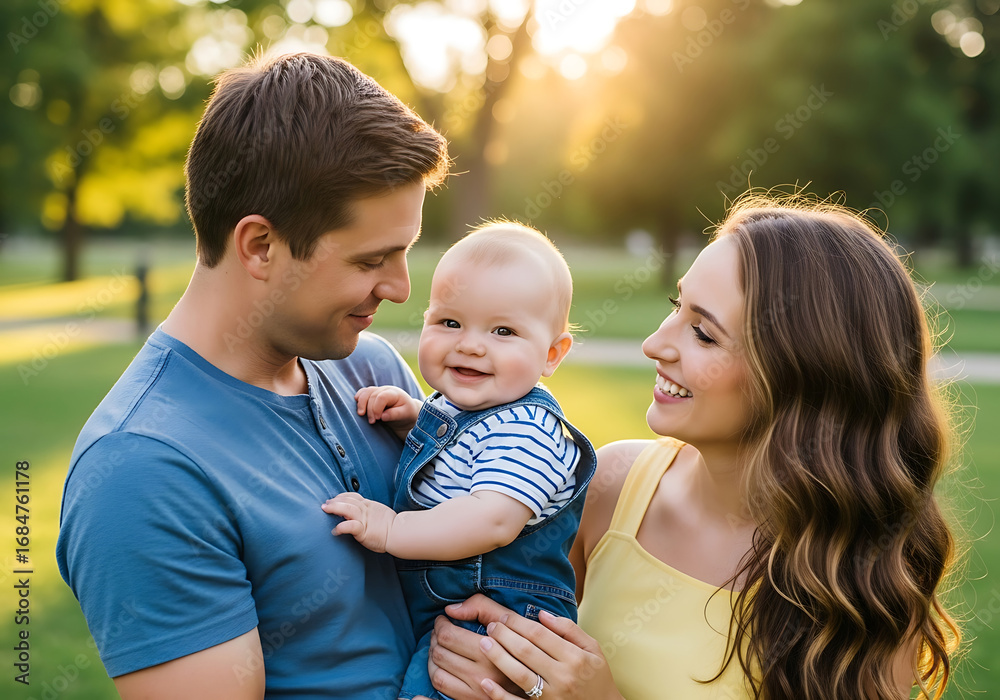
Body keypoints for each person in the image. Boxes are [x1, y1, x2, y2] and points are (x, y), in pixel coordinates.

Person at [426, 197, 961, 700]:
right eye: (675, 307)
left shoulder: (865, 580)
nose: (654, 344)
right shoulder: (609, 487)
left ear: (802, 376)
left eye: (703, 334)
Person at [56, 52, 449, 699]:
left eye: (404, 254)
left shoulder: (368, 368)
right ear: (260, 246)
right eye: (372, 259)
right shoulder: (142, 470)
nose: (402, 289)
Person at [321, 223, 597, 700]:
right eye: (450, 323)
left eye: (503, 331)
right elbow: (465, 457)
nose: (470, 344)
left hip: (502, 622)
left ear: (552, 354)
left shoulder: (528, 428)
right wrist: (413, 422)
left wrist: (391, 531)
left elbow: (489, 519)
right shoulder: (461, 408)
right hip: (458, 607)